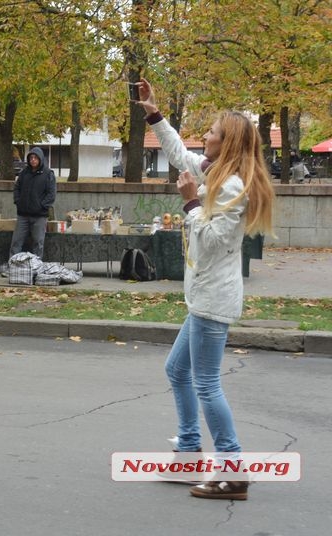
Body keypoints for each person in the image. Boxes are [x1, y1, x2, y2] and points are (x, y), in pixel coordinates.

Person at [135, 78, 274, 501]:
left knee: (207, 384)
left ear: (225, 142)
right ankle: (191, 448)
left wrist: (191, 203)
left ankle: (233, 470)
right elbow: (178, 152)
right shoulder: (216, 173)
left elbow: (213, 242)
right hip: (204, 296)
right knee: (177, 371)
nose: (206, 136)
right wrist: (153, 113)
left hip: (214, 299)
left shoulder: (231, 187)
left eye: (212, 131)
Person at [9, 147, 56, 258]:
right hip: (23, 215)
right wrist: (18, 202)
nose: (33, 160)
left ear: (40, 159)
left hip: (39, 216)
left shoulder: (48, 174)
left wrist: (41, 206)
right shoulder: (24, 173)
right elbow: (17, 188)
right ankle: (12, 266)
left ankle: (36, 268)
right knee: (16, 242)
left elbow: (51, 194)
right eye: (31, 158)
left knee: (38, 243)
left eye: (35, 158)